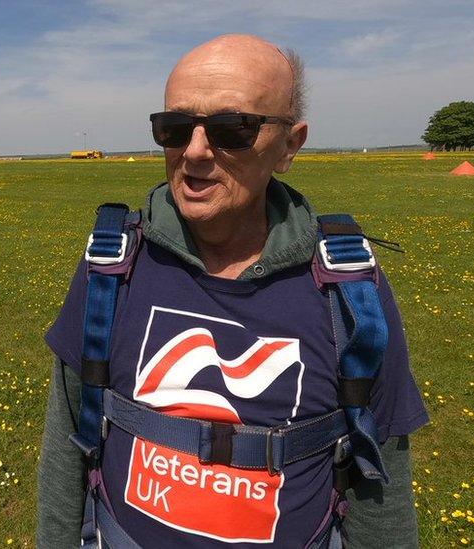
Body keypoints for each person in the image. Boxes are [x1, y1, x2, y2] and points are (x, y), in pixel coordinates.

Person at [37, 34, 429, 548]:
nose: (195, 152)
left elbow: (382, 481)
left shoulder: (350, 288)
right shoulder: (112, 266)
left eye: (232, 129)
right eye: (175, 128)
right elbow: (67, 443)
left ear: (290, 145)